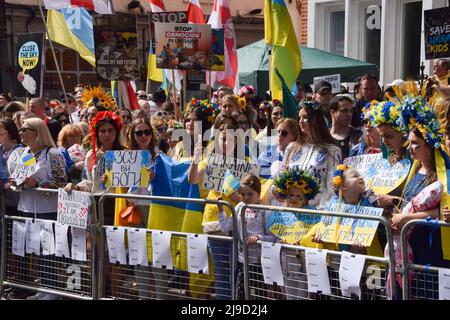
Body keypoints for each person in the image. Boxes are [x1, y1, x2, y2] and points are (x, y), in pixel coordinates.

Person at [11, 118, 68, 300]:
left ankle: (51, 290)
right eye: (20, 130)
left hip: (47, 210)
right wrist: (17, 183)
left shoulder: (53, 153)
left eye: (24, 129)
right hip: (26, 208)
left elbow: (62, 182)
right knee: (36, 249)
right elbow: (21, 180)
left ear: (37, 132)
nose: (20, 132)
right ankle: (43, 288)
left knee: (48, 251)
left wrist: (39, 182)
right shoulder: (24, 153)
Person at [188, 123, 245, 300]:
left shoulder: (244, 164)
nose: (226, 143)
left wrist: (239, 197)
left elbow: (250, 194)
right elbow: (192, 179)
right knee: (222, 274)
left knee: (238, 274)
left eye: (230, 139)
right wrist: (196, 159)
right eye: (223, 138)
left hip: (238, 224)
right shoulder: (208, 161)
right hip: (215, 223)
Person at [217, 174, 276, 299]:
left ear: (258, 193)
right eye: (243, 194)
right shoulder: (239, 207)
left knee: (261, 296)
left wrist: (259, 238)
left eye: (250, 194)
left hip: (259, 263)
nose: (246, 197)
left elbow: (273, 237)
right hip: (242, 260)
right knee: (240, 295)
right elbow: (225, 227)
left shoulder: (265, 211)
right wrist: (221, 210)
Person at [64, 111, 124, 226]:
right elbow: (90, 182)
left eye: (110, 130)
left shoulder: (125, 154)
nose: (106, 134)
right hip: (97, 205)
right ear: (97, 133)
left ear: (116, 132)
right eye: (102, 131)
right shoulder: (91, 155)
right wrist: (76, 186)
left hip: (119, 205)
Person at [271, 167, 320, 300]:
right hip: (285, 263)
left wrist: (303, 242)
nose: (294, 199)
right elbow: (273, 236)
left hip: (303, 265)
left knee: (303, 296)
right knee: (288, 295)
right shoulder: (279, 214)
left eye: (299, 196)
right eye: (291, 195)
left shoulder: (311, 214)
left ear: (305, 200)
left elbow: (313, 234)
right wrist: (280, 241)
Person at [283, 100, 341, 209]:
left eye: (305, 117)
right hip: (290, 209)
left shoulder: (332, 150)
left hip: (316, 212)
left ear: (316, 120)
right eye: (299, 118)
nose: (301, 121)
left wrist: (321, 210)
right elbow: (282, 177)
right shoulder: (291, 148)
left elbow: (331, 187)